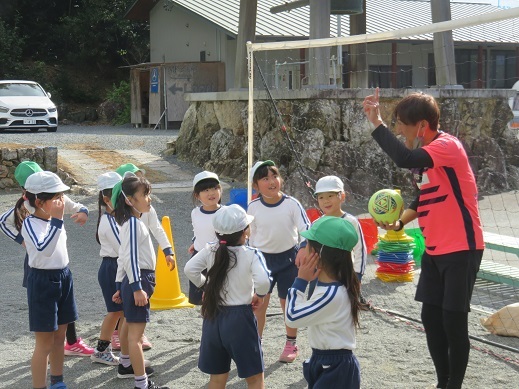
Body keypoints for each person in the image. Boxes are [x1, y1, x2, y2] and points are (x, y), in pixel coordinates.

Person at [363, 89, 484, 389]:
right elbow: (422, 197)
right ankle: (443, 382)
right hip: (434, 250)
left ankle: (453, 385)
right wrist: (398, 223)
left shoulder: (447, 146)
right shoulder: (426, 158)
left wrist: (376, 123)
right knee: (431, 318)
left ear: (421, 126)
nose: (399, 129)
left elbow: (403, 157)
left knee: (454, 323)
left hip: (462, 248)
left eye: (402, 123)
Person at [0, 161, 94, 358]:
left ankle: (71, 342)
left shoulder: (53, 198)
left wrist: (83, 211)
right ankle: (48, 347)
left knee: (65, 305)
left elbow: (76, 205)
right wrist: (22, 241)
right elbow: (3, 221)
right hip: (38, 263)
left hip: (58, 263)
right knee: (44, 304)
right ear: (27, 189)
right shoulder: (25, 207)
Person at [184, 204, 271, 389]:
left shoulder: (210, 250)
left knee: (216, 378)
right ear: (245, 231)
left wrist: (205, 286)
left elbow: (190, 269)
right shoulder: (251, 254)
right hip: (240, 319)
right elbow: (263, 281)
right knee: (255, 378)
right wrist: (260, 295)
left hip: (213, 318)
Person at [285, 216, 363, 389]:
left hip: (335, 367)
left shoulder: (332, 294)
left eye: (307, 245)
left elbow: (292, 317)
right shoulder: (330, 285)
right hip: (326, 361)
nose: (303, 249)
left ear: (317, 254)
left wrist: (300, 282)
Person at [111, 174, 172, 389]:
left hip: (132, 280)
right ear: (129, 200)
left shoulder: (130, 223)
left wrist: (120, 285)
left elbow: (123, 257)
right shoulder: (134, 224)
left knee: (128, 324)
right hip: (140, 280)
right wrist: (137, 288)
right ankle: (142, 384)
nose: (149, 199)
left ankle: (127, 364)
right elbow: (130, 258)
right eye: (145, 195)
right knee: (136, 338)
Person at [247, 160, 310, 363]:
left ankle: (291, 342)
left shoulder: (292, 204)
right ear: (256, 185)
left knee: (288, 304)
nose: (272, 181)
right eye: (265, 178)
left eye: (275, 176)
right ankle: (256, 343)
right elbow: (248, 236)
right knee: (259, 304)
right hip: (262, 261)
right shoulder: (253, 207)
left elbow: (306, 230)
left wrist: (302, 249)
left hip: (289, 259)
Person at [21, 171, 79, 389]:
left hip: (63, 276)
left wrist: (79, 211)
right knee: (44, 343)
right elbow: (44, 250)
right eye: (56, 198)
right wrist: (57, 220)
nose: (61, 202)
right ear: (39, 201)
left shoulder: (54, 218)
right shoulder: (30, 223)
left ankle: (57, 381)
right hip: (43, 282)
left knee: (59, 336)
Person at [115, 163, 176, 350]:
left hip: (139, 270)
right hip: (135, 272)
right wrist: (122, 282)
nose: (148, 198)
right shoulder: (130, 222)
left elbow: (157, 228)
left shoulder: (146, 212)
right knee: (129, 312)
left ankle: (128, 355)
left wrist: (167, 250)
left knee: (132, 314)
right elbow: (126, 255)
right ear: (128, 197)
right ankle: (131, 350)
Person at [308, 175, 367, 297]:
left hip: (345, 274)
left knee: (347, 305)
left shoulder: (351, 222)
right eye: (321, 197)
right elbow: (309, 249)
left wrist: (358, 275)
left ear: (342, 196)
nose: (326, 201)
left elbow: (360, 249)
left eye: (330, 195)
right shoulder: (316, 224)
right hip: (320, 275)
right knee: (318, 305)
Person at [90, 171, 124, 366]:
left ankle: (103, 350)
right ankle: (102, 350)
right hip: (113, 267)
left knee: (118, 312)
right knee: (115, 312)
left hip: (116, 266)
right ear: (106, 198)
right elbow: (123, 248)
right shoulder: (108, 221)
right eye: (118, 195)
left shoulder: (115, 218)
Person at [188, 170, 223, 305]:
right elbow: (198, 230)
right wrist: (195, 242)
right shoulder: (195, 213)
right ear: (197, 195)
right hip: (200, 258)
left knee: (219, 297)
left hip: (219, 258)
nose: (211, 193)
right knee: (203, 300)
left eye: (215, 188)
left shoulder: (225, 213)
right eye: (206, 190)